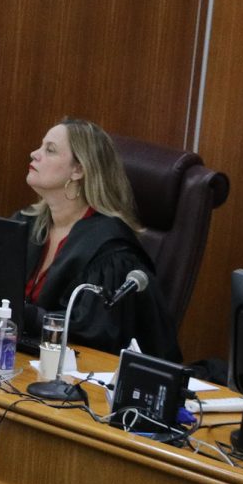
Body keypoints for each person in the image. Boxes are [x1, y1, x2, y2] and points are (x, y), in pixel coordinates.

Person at [21, 117, 176, 359]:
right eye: (40, 147)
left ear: (79, 169)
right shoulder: (26, 224)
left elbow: (93, 332)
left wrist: (28, 317)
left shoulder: (110, 251)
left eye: (49, 150)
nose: (34, 154)